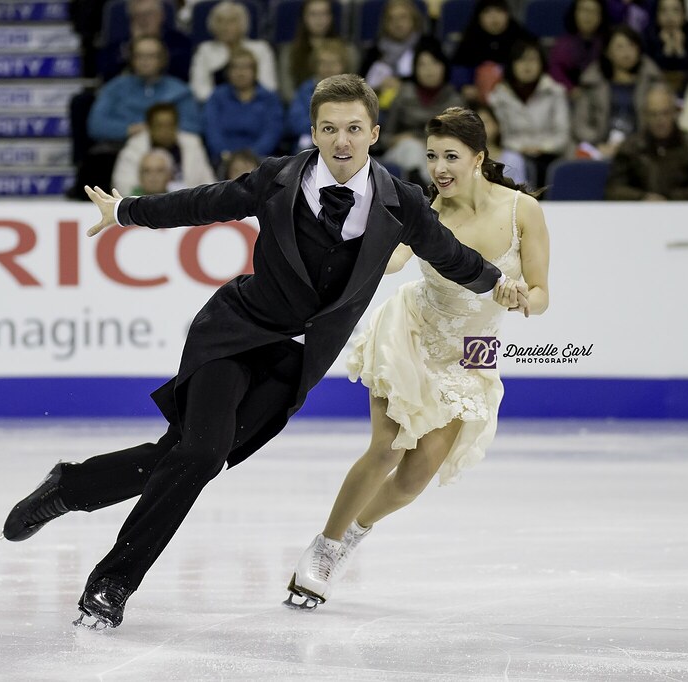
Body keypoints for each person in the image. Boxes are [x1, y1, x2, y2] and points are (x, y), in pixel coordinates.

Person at [0, 74, 527, 630]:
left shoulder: (403, 204)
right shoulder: (281, 177)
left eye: (353, 128)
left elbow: (451, 255)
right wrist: (128, 211)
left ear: (373, 132)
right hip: (235, 334)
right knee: (200, 456)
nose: (341, 141)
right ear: (315, 132)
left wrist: (498, 284)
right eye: (329, 129)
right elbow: (206, 202)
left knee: (184, 457)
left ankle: (71, 487)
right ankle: (111, 585)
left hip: (293, 365)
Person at [285, 106, 549, 609]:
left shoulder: (522, 212)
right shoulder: (425, 209)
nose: (439, 168)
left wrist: (523, 299)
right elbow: (399, 256)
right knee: (387, 448)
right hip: (413, 331)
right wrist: (363, 257)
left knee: (414, 477)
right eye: (432, 157)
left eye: (451, 156)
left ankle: (352, 536)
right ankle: (323, 546)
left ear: (479, 158)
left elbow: (542, 293)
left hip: (473, 351)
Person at [376, 36, 463, 185]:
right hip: (402, 152)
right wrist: (397, 139)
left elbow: (459, 143)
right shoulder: (403, 94)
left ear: (444, 66)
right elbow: (383, 137)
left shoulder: (454, 101)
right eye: (423, 65)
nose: (429, 70)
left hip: (438, 156)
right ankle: (427, 195)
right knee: (412, 149)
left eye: (435, 63)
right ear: (415, 69)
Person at [604, 84, 688, 200]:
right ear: (645, 115)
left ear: (675, 112)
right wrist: (642, 197)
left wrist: (670, 199)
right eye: (653, 114)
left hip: (684, 213)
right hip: (641, 213)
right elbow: (613, 189)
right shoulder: (630, 147)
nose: (660, 120)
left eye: (665, 113)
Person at [572, 24, 662, 159]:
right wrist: (598, 145)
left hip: (644, 149)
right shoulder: (592, 84)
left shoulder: (653, 82)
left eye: (632, 45)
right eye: (620, 47)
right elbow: (581, 124)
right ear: (608, 52)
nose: (627, 52)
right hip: (601, 148)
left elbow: (662, 121)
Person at [488, 38, 570, 186]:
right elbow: (499, 134)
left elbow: (563, 134)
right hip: (513, 155)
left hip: (551, 156)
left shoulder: (556, 92)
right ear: (512, 64)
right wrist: (522, 148)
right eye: (521, 60)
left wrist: (542, 147)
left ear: (542, 63)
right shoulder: (498, 96)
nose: (527, 65)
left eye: (532, 60)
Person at [202, 47, 284, 165]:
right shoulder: (217, 97)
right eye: (235, 67)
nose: (240, 72)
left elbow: (272, 133)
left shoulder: (269, 99)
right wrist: (225, 154)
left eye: (246, 67)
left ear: (255, 71)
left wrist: (251, 157)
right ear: (228, 72)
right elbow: (212, 129)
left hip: (260, 160)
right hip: (223, 159)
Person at [112, 101, 216, 194]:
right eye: (159, 125)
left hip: (188, 208)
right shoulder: (134, 147)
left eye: (170, 125)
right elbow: (122, 186)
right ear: (149, 127)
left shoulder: (192, 144)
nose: (165, 130)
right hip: (144, 206)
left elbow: (208, 183)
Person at [188, 0, 277, 102]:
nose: (225, 27)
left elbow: (269, 86)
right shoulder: (204, 50)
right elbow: (198, 89)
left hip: (255, 106)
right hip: (216, 106)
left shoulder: (261, 49)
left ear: (243, 23)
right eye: (219, 21)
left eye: (232, 21)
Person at [277, 0, 357, 102]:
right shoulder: (289, 52)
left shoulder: (348, 51)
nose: (319, 19)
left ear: (331, 17)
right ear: (304, 18)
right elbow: (287, 92)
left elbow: (354, 88)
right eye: (313, 14)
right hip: (302, 108)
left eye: (324, 13)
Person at [98, 0, 191, 81]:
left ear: (161, 16)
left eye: (148, 14)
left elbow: (183, 72)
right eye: (137, 16)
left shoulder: (179, 41)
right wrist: (134, 45)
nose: (144, 20)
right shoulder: (119, 44)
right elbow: (105, 73)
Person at [548, 0, 607, 94]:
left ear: (601, 16)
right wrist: (571, 89)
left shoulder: (608, 43)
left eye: (594, 11)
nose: (588, 16)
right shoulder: (562, 44)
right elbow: (555, 71)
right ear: (574, 13)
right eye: (584, 10)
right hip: (568, 95)